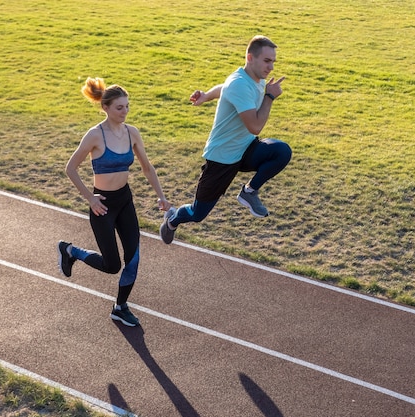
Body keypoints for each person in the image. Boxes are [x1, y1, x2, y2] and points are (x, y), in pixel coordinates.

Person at [57, 77, 172, 327]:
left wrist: (161, 196)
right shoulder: (94, 136)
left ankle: (120, 307)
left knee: (133, 258)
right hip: (103, 205)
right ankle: (71, 251)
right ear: (105, 108)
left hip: (125, 201)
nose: (125, 112)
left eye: (127, 106)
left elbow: (146, 167)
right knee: (111, 265)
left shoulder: (132, 133)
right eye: (120, 107)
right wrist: (90, 198)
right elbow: (71, 168)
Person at [160, 35, 292, 244]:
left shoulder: (253, 80)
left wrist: (206, 95)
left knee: (281, 151)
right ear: (250, 57)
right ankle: (172, 220)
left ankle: (249, 192)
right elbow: (255, 125)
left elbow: (224, 88)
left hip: (246, 148)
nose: (271, 67)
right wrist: (269, 97)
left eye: (273, 61)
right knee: (197, 213)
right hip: (222, 158)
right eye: (267, 61)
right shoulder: (240, 84)